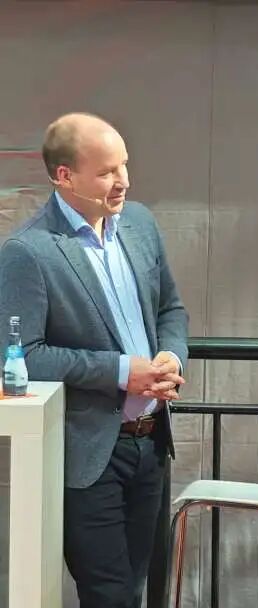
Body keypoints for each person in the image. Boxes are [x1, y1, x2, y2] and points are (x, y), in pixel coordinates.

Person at [0, 113, 188, 607]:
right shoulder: (28, 251)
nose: (123, 180)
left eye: (123, 165)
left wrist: (171, 355)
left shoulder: (140, 224)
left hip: (152, 442)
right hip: (89, 453)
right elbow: (23, 357)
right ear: (64, 176)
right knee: (109, 595)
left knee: (136, 588)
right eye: (106, 171)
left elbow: (170, 308)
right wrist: (123, 372)